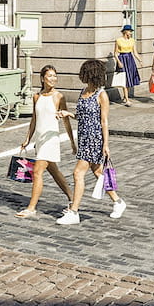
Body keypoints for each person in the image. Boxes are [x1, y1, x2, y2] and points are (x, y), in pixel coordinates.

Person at [56, 59, 127, 225]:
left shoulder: (101, 95)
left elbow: (104, 122)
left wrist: (106, 145)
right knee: (98, 173)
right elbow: (82, 116)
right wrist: (68, 113)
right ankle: (118, 202)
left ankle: (74, 211)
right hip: (83, 137)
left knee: (78, 173)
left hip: (94, 139)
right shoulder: (83, 91)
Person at [16, 65, 76, 219]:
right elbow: (34, 120)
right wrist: (27, 139)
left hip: (51, 139)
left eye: (55, 76)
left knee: (37, 172)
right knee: (54, 172)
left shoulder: (59, 97)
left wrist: (72, 142)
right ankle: (72, 198)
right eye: (50, 76)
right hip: (40, 139)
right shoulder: (36, 97)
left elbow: (66, 121)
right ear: (42, 78)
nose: (53, 79)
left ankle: (31, 208)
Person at [113, 25, 142, 106]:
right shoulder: (118, 40)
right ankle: (127, 99)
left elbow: (135, 52)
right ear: (125, 31)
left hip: (130, 59)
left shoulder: (132, 40)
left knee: (129, 79)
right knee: (124, 79)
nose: (131, 33)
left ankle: (126, 97)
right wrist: (118, 62)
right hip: (122, 58)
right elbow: (115, 53)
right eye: (130, 31)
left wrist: (140, 60)